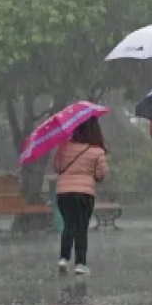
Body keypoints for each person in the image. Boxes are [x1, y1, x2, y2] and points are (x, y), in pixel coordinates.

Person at [53, 117, 109, 275]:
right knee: (81, 227)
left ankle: (63, 258)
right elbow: (101, 174)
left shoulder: (64, 147)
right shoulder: (96, 151)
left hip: (63, 193)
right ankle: (80, 262)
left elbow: (57, 167)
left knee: (69, 224)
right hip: (84, 194)